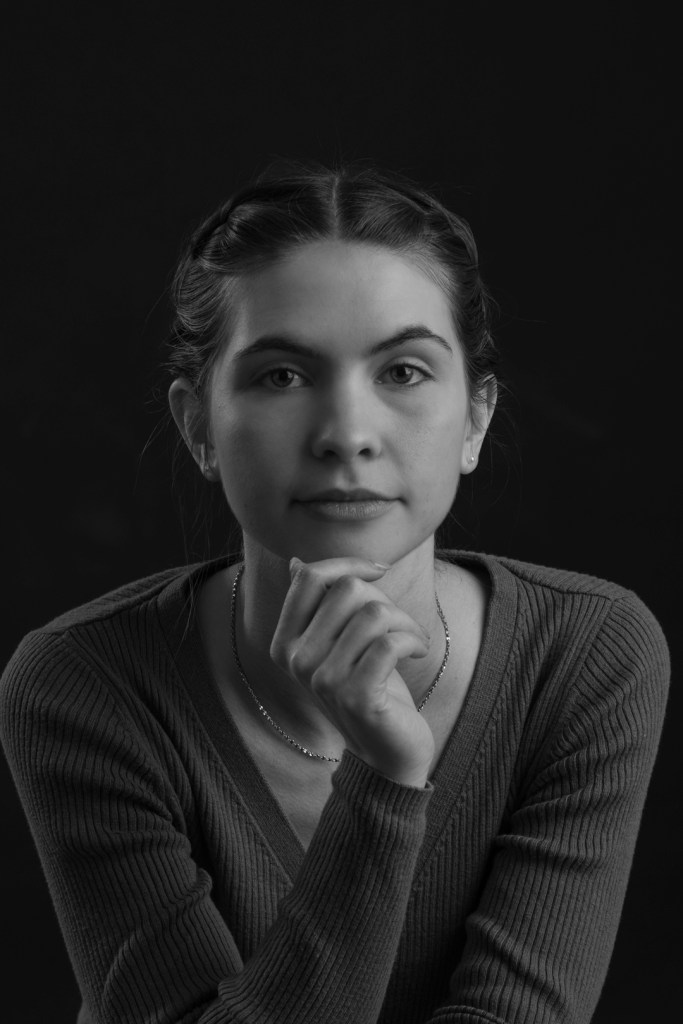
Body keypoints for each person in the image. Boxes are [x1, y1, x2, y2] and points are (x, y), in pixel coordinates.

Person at [0, 161, 670, 1024]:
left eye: (403, 373)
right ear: (198, 424)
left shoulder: (585, 653)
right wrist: (387, 781)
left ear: (475, 418)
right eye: (282, 375)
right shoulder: (82, 683)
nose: (347, 435)